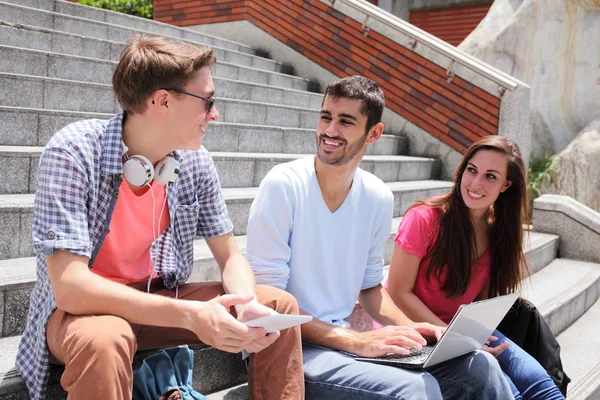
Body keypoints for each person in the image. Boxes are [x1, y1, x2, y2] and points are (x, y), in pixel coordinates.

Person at [16, 35, 304, 400]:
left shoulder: (195, 162)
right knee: (108, 339)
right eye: (208, 102)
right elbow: (71, 288)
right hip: (84, 314)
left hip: (158, 297)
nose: (214, 114)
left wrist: (244, 302)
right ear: (163, 100)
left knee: (276, 305)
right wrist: (189, 316)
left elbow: (230, 255)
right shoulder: (72, 152)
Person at [245, 75, 514, 399]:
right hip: (290, 348)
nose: (330, 130)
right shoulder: (283, 186)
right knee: (416, 390)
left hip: (342, 341)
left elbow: (371, 290)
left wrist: (408, 327)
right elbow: (269, 306)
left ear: (374, 133)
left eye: (345, 121)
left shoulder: (377, 197)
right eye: (326, 117)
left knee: (481, 367)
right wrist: (357, 340)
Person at [382, 136, 565, 399]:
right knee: (509, 392)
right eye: (472, 170)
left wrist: (472, 335)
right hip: (414, 331)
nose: (476, 183)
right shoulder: (424, 219)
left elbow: (480, 301)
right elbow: (398, 292)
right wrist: (456, 339)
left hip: (463, 330)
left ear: (506, 185)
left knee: (541, 383)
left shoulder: (497, 231)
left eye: (491, 176)